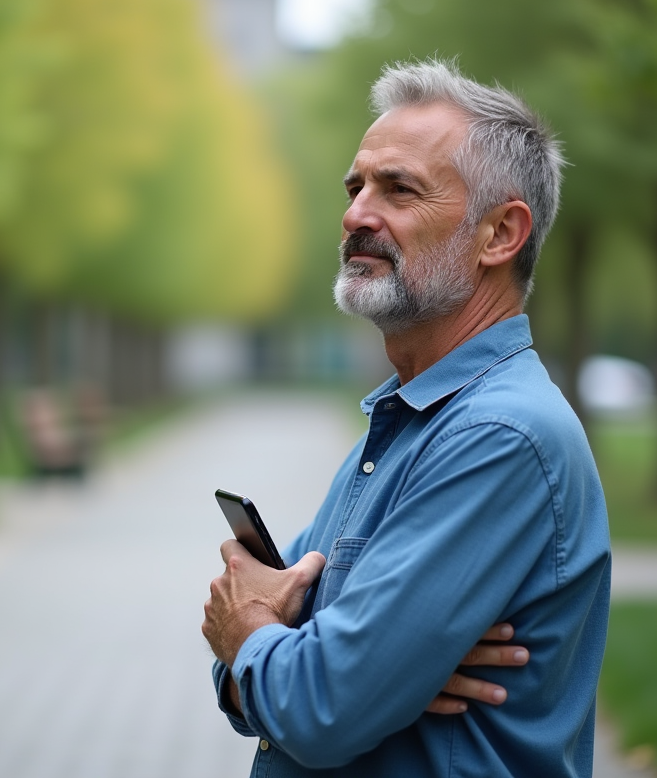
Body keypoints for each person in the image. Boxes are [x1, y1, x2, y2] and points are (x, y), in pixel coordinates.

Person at [202, 58, 610, 777]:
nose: (357, 214)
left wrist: (271, 639)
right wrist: (319, 656)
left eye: (399, 189)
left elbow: (320, 705)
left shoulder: (498, 436)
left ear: (500, 235)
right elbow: (260, 663)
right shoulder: (408, 420)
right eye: (355, 186)